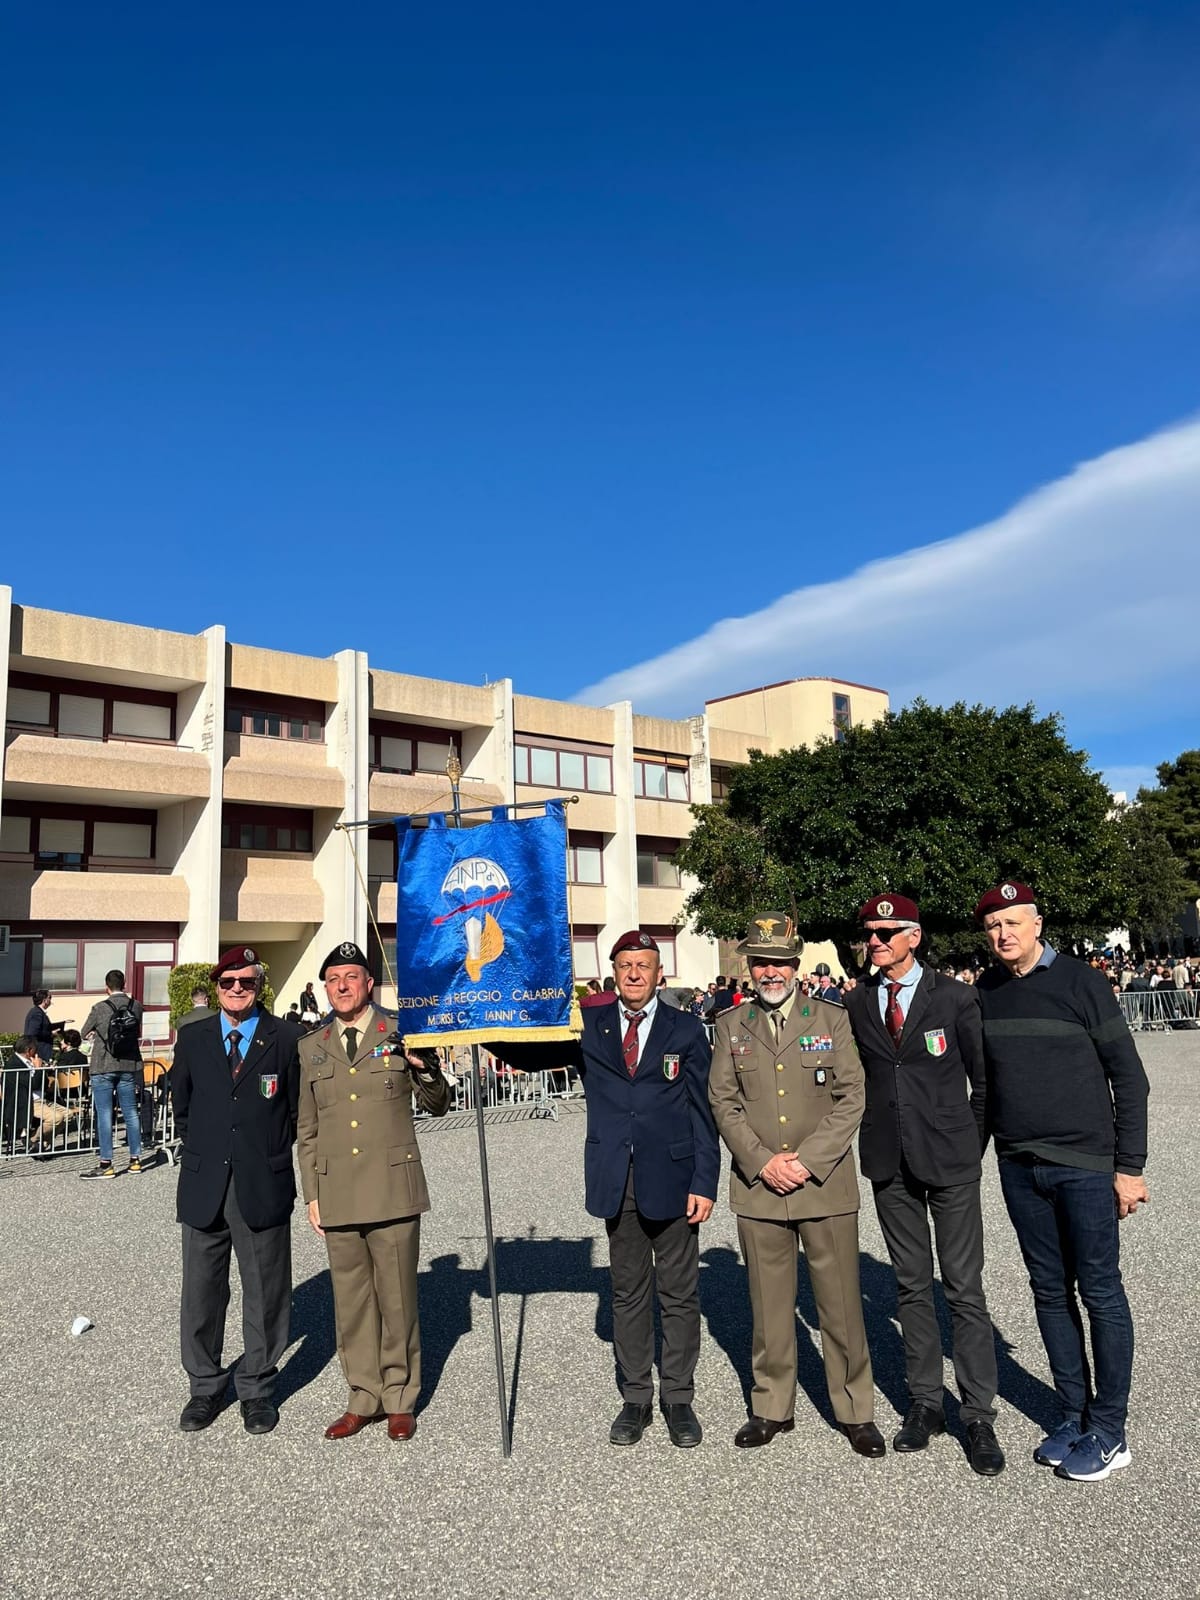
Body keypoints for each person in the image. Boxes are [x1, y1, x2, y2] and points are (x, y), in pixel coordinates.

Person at [490, 930, 719, 1447]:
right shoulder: (589, 1025)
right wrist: (474, 1025)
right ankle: (636, 1397)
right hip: (618, 1180)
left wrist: (705, 1180)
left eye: (644, 965)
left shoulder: (686, 1029)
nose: (634, 974)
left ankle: (678, 1397)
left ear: (661, 974)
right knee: (628, 1291)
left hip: (677, 1179)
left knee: (680, 1294)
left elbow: (704, 1113)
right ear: (613, 971)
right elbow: (531, 1055)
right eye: (625, 965)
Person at [975, 881, 1150, 1483]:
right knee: (1048, 1292)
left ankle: (1111, 1429)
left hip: (1085, 1166)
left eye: (1013, 923)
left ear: (1037, 924)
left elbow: (1129, 1077)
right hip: (1019, 1166)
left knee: (1100, 1292)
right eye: (994, 925)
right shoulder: (987, 991)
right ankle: (1073, 1414)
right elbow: (988, 1087)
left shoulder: (1082, 982)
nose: (1003, 935)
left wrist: (1130, 1167)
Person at [708, 914, 884, 1456]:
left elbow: (852, 1096)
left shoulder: (830, 1019)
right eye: (760, 961)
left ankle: (854, 1409)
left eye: (779, 961)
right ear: (750, 967)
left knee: (840, 1306)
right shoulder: (731, 1025)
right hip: (760, 1187)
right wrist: (762, 1162)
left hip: (823, 1183)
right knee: (769, 1305)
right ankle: (771, 1405)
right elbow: (723, 1101)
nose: (770, 971)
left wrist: (806, 1162)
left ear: (795, 964)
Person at [843, 894, 1004, 1476]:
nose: (875, 940)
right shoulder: (859, 1001)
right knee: (911, 1286)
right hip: (890, 1162)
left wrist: (969, 1145)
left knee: (963, 1287)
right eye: (870, 932)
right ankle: (926, 1403)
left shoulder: (957, 997)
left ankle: (978, 1413)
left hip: (951, 1161)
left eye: (887, 931)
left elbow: (983, 1085)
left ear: (914, 936)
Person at [297, 941, 450, 1442]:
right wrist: (311, 1193)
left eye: (351, 977)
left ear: (368, 983)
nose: (342, 986)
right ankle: (363, 1396)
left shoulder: (401, 1030)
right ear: (326, 987)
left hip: (392, 1187)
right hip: (337, 1189)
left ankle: (401, 1396)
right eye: (333, 978)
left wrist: (424, 1064)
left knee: (398, 1298)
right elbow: (308, 1128)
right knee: (353, 1302)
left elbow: (437, 1104)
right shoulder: (312, 1045)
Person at [170, 946, 300, 1436]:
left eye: (247, 982)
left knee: (265, 1291)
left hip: (261, 1180)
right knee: (201, 1291)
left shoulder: (285, 1037)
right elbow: (183, 1106)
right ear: (218, 986)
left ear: (259, 985)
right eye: (228, 983)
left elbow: (292, 1110)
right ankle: (204, 1385)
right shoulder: (194, 1037)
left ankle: (257, 1387)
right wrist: (209, 1147)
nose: (237, 990)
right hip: (205, 1182)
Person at [78, 970, 144, 1180]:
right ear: (124, 984)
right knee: (131, 1113)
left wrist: (96, 1033)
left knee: (105, 1114)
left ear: (106, 986)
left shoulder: (99, 1008)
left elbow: (82, 1032)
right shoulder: (136, 1006)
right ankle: (135, 1160)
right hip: (129, 1064)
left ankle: (106, 1163)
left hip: (104, 1065)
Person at [23, 988, 66, 1056]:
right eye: (50, 997)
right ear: (44, 1000)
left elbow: (46, 1027)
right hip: (39, 1050)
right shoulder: (37, 1013)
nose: (51, 1000)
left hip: (40, 1049)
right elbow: (34, 1032)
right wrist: (51, 1033)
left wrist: (62, 1023)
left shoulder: (38, 1012)